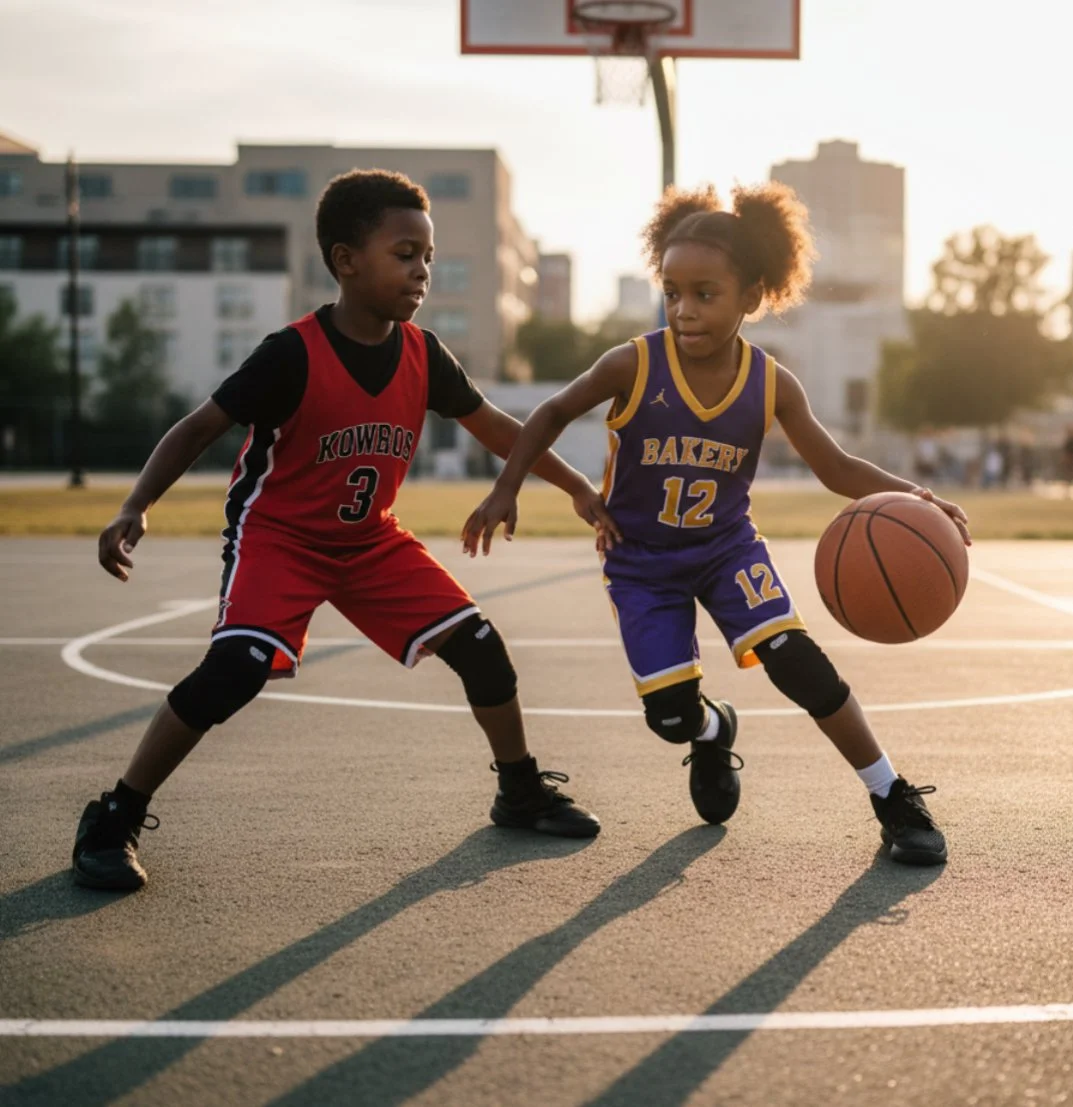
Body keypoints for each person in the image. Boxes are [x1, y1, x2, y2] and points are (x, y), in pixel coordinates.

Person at [73, 169, 612, 891]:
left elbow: (495, 426)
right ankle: (115, 813)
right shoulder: (291, 353)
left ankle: (517, 790)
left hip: (369, 543)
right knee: (232, 673)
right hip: (281, 540)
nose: (421, 269)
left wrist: (577, 485)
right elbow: (198, 427)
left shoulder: (423, 354)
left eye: (427, 254)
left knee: (483, 650)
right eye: (404, 252)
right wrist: (135, 503)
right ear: (345, 260)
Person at [463, 182, 972, 866]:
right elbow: (551, 411)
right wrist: (508, 486)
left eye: (704, 293)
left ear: (751, 297)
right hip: (641, 563)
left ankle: (891, 798)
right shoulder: (634, 363)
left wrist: (917, 496)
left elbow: (836, 467)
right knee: (669, 716)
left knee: (800, 666)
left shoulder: (770, 383)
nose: (683, 308)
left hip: (726, 549)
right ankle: (710, 730)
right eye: (671, 291)